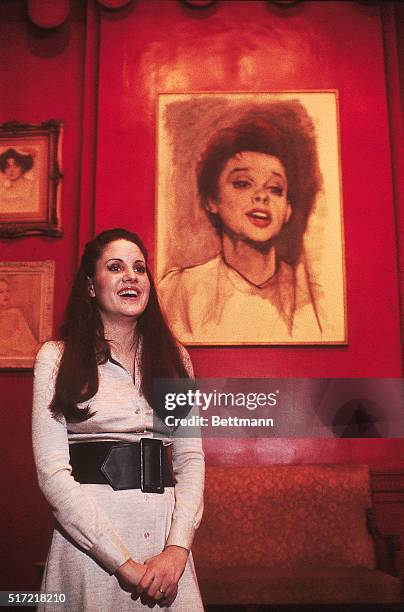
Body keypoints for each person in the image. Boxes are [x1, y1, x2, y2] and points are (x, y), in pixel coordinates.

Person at [32, 228, 205, 611]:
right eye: (116, 267)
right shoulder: (55, 358)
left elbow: (191, 461)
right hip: (92, 550)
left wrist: (177, 550)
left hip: (167, 551)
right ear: (92, 286)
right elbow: (53, 475)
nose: (131, 276)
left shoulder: (177, 359)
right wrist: (123, 564)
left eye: (139, 268)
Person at [158, 106, 324, 344]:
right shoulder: (178, 291)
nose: (261, 197)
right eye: (243, 183)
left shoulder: (312, 298)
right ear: (212, 200)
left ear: (287, 209)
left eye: (275, 189)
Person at [0, 276, 37, 356]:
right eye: (0, 292)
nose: (6, 295)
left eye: (7, 291)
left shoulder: (16, 314)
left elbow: (30, 345)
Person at [0, 147, 37, 212]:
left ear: (23, 168)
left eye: (15, 166)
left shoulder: (33, 186)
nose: (11, 171)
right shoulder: (2, 189)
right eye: (7, 167)